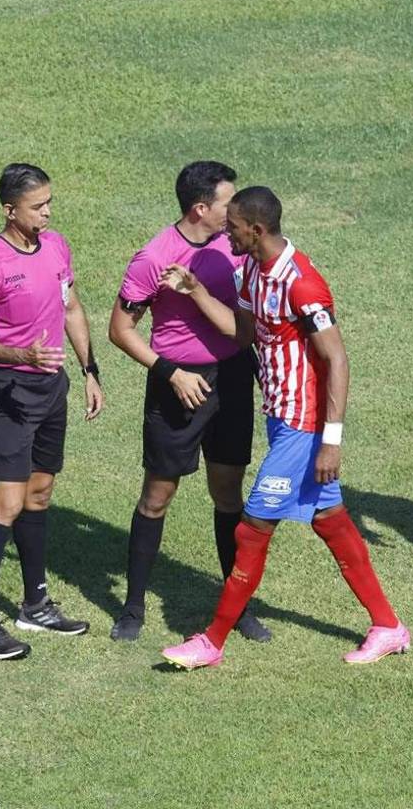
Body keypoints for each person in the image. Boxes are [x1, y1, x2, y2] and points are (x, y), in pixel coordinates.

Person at [159, 186, 409, 670]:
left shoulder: (303, 284)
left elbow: (336, 359)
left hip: (304, 425)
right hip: (279, 418)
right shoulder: (253, 269)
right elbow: (246, 332)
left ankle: (212, 642)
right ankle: (388, 627)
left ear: (256, 229)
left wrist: (330, 441)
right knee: (330, 521)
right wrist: (196, 291)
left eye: (231, 226)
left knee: (253, 527)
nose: (224, 232)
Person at [107, 161, 269, 643]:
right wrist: (170, 373)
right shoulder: (154, 258)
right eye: (227, 202)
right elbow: (120, 330)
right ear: (201, 208)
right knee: (157, 497)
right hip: (177, 381)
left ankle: (237, 606)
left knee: (228, 491)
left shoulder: (233, 247)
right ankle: (133, 609)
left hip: (233, 378)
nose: (234, 209)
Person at [0, 163, 103, 661]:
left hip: (51, 390)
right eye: (37, 206)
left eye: (48, 204)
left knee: (40, 494)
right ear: (9, 210)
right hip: (8, 393)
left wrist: (90, 369)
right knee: (7, 502)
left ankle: (35, 604)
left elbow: (71, 308)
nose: (47, 212)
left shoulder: (57, 246)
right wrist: (22, 356)